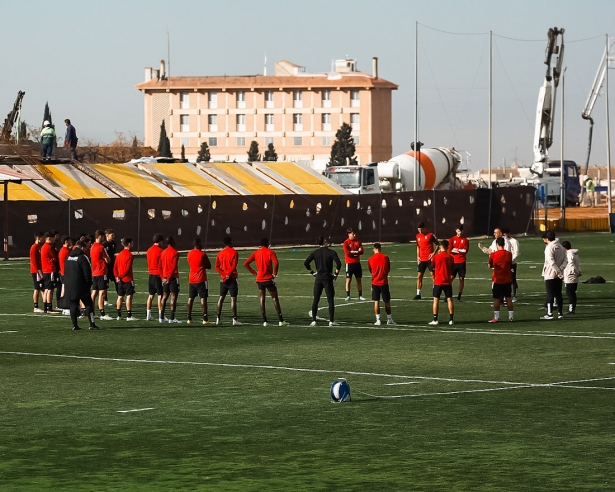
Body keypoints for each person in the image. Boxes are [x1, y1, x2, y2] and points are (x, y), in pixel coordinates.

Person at [244, 238, 288, 327]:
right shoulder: (271, 252)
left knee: (262, 298)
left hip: (259, 279)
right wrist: (274, 273)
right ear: (267, 243)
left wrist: (255, 273)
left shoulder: (256, 253)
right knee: (275, 298)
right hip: (268, 279)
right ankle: (280, 320)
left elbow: (246, 264)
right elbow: (276, 263)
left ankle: (265, 321)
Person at [304, 236, 341, 327]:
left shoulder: (315, 253)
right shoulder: (331, 252)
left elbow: (306, 263)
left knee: (316, 300)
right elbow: (339, 263)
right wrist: (336, 274)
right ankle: (331, 321)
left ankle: (313, 321)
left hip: (319, 278)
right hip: (328, 278)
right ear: (324, 242)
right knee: (330, 300)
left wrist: (312, 273)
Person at [64, 240, 100, 331]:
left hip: (70, 285)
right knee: (88, 304)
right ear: (82, 248)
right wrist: (89, 283)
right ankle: (92, 324)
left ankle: (74, 325)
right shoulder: (83, 257)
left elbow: (65, 272)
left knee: (73, 305)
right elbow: (87, 272)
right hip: (81, 285)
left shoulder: (68, 257)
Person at [540, 231, 567, 320]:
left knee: (550, 294)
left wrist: (558, 271)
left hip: (550, 273)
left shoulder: (549, 247)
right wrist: (560, 270)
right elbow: (565, 260)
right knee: (558, 293)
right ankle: (560, 313)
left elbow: (551, 262)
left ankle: (549, 313)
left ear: (547, 239)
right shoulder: (561, 246)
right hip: (559, 274)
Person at [487, 237, 514, 323]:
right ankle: (511, 317)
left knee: (496, 299)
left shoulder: (493, 254)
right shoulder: (509, 254)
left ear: (497, 244)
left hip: (497, 280)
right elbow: (509, 264)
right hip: (507, 279)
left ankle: (496, 317)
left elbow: (490, 265)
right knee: (508, 298)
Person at [215, 236, 241, 326]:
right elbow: (233, 266)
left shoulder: (220, 253)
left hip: (223, 280)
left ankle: (217, 319)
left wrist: (223, 275)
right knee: (233, 299)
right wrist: (227, 275)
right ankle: (234, 320)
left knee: (221, 298)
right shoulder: (234, 252)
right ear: (230, 242)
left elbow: (216, 267)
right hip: (232, 278)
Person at [367, 242, 395, 326]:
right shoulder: (385, 257)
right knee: (387, 302)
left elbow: (370, 270)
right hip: (384, 282)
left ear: (374, 249)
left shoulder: (370, 259)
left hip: (375, 282)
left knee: (376, 301)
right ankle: (389, 319)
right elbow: (388, 269)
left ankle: (378, 320)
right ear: (380, 248)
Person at [186, 237, 212, 325]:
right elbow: (209, 266)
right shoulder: (202, 254)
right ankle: (205, 318)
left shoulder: (189, 254)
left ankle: (189, 317)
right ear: (200, 244)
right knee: (203, 298)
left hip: (192, 279)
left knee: (190, 298)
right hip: (201, 279)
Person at [428, 239, 454, 326]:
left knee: (436, 300)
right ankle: (451, 319)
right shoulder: (450, 257)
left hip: (438, 281)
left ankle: (435, 319)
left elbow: (432, 267)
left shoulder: (436, 257)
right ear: (448, 247)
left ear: (440, 246)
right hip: (447, 281)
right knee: (449, 299)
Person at [113, 237, 138, 321]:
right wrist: (120, 276)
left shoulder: (119, 255)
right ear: (129, 244)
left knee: (120, 296)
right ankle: (129, 315)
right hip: (127, 279)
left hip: (120, 280)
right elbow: (127, 269)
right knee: (129, 296)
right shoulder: (130, 255)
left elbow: (115, 268)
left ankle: (119, 315)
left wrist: (117, 277)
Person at [90, 230, 111, 320]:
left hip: (94, 272)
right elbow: (108, 260)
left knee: (94, 292)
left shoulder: (92, 247)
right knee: (102, 293)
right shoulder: (101, 247)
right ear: (100, 236)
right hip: (101, 272)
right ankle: (102, 313)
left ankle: (91, 311)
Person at [413, 222, 438, 300]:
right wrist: (418, 257)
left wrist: (433, 253)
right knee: (419, 276)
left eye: (421, 229)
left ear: (424, 228)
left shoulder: (431, 235)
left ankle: (435, 292)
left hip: (430, 259)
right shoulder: (417, 236)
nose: (420, 231)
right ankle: (418, 294)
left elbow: (438, 244)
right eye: (418, 230)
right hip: (422, 259)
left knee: (433, 276)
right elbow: (418, 247)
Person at [160, 235, 181, 323]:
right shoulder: (175, 253)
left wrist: (163, 277)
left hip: (164, 278)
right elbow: (173, 267)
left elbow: (159, 266)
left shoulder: (163, 252)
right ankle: (172, 318)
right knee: (173, 297)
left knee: (164, 297)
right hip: (172, 278)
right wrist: (168, 278)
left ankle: (161, 317)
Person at [342, 228, 365, 301]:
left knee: (359, 279)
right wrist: (356, 252)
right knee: (348, 279)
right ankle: (348, 295)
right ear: (349, 234)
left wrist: (353, 252)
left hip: (357, 263)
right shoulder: (346, 243)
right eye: (353, 234)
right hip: (349, 263)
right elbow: (348, 253)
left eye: (355, 234)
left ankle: (360, 295)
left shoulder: (358, 242)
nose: (354, 235)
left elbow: (361, 251)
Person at [146, 233, 164, 321]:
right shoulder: (160, 251)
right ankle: (161, 316)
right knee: (160, 296)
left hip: (151, 274)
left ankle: (148, 315)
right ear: (160, 241)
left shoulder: (149, 250)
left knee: (150, 295)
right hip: (158, 274)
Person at [448, 225, 469, 301]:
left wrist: (457, 250)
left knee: (461, 279)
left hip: (462, 262)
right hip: (453, 262)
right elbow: (450, 250)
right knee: (451, 278)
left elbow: (465, 251)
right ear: (456, 231)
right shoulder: (451, 239)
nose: (460, 233)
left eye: (461, 231)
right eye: (458, 231)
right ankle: (448, 295)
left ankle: (459, 296)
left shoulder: (465, 240)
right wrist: (459, 250)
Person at [40, 232, 59, 314]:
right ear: (49, 238)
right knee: (50, 290)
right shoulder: (49, 247)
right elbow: (55, 258)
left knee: (47, 289)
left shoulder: (43, 247)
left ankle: (46, 307)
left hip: (45, 270)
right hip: (50, 269)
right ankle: (49, 308)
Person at [561, 240, 581, 314]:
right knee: (572, 292)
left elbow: (571, 264)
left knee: (570, 293)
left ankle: (571, 309)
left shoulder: (569, 254)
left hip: (570, 275)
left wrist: (576, 272)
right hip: (574, 275)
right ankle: (572, 308)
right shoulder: (574, 254)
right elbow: (577, 264)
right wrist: (578, 271)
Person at [57, 235, 74, 315]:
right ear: (66, 242)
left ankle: (63, 307)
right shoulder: (66, 251)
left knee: (63, 290)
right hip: (66, 273)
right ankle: (65, 307)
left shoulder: (62, 250)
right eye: (70, 241)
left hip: (63, 272)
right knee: (66, 291)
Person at [502, 228, 520, 302]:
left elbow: (516, 252)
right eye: (504, 234)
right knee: (505, 280)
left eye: (506, 234)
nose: (505, 235)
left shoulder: (514, 241)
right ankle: (505, 295)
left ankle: (515, 295)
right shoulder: (503, 240)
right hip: (504, 264)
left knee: (512, 279)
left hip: (512, 263)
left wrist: (510, 260)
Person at [29, 231, 44, 313]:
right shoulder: (34, 248)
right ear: (38, 238)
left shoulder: (39, 247)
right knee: (37, 288)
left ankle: (46, 305)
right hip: (36, 271)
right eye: (42, 237)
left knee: (42, 288)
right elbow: (34, 262)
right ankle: (36, 306)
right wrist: (38, 272)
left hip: (39, 270)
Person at [103, 229, 117, 305]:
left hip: (113, 266)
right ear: (107, 235)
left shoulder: (114, 243)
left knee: (117, 281)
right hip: (106, 266)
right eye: (112, 235)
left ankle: (120, 296)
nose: (113, 236)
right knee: (106, 283)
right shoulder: (104, 245)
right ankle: (105, 300)